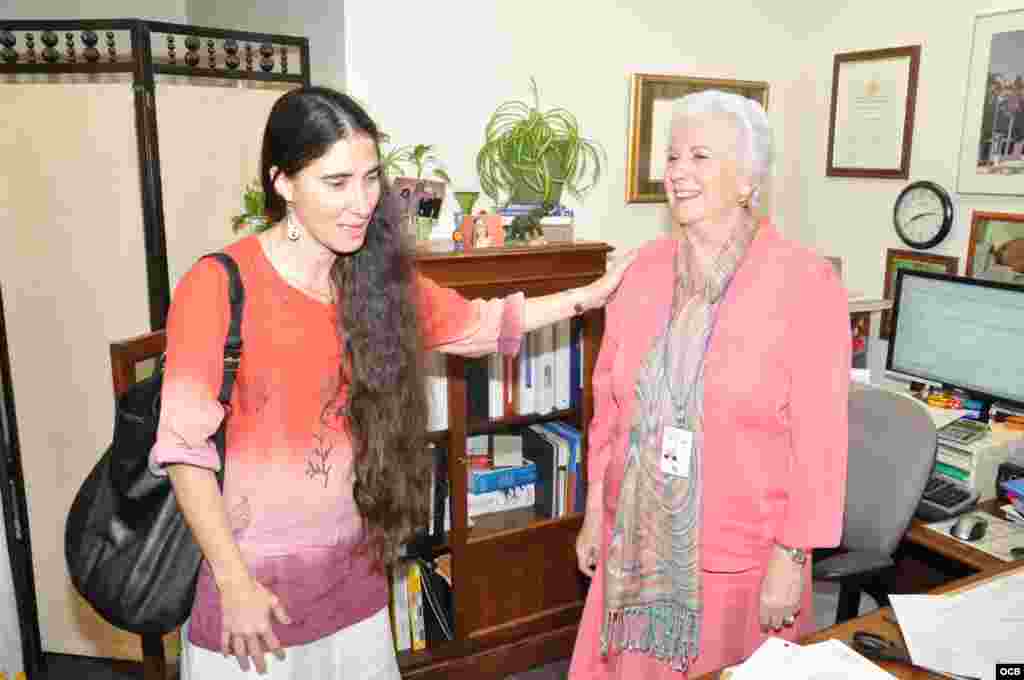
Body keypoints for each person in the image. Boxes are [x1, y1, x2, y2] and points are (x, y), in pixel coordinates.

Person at [148, 86, 634, 679]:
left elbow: (482, 325)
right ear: (281, 183)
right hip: (254, 597)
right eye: (336, 182)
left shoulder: (372, 280)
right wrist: (233, 583)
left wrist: (590, 295)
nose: (361, 202)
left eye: (371, 178)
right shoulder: (218, 285)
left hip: (352, 585)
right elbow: (182, 453)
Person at [569, 90, 850, 679]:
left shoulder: (804, 281)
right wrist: (596, 506)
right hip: (634, 550)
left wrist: (792, 557)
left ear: (748, 180)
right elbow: (610, 408)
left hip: (739, 564)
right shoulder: (641, 271)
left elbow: (820, 441)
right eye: (672, 157)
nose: (677, 173)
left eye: (700, 156)